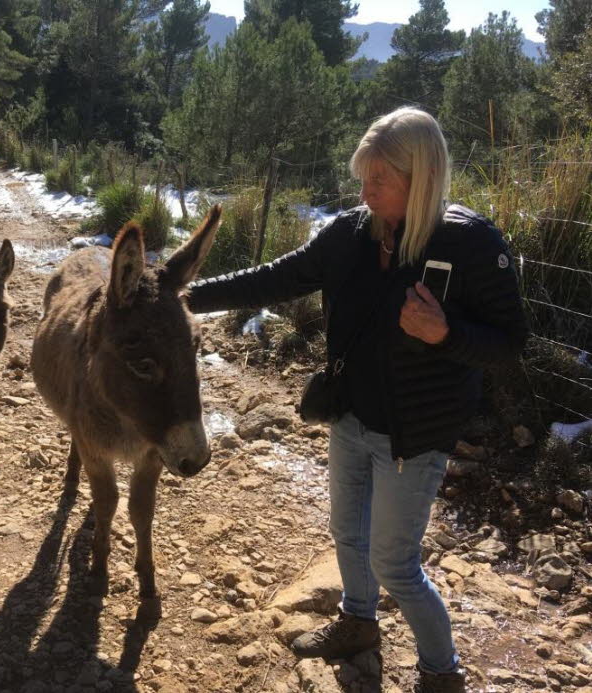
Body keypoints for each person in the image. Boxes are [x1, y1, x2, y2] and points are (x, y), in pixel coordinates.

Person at [186, 107, 527, 693]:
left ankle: (442, 673)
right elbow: (279, 277)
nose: (364, 194)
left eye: (379, 182)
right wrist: (188, 295)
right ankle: (358, 622)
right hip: (349, 416)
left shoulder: (470, 244)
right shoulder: (349, 233)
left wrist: (446, 334)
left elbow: (511, 343)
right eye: (362, 179)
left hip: (415, 432)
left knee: (395, 562)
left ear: (420, 179)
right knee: (347, 532)